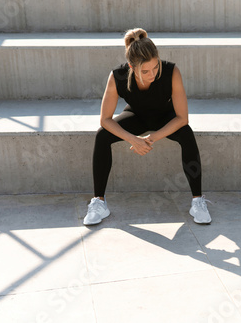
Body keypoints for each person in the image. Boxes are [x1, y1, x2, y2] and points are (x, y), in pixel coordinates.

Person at [83, 28, 211, 226]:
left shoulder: (171, 71)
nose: (152, 74)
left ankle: (197, 201)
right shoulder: (117, 76)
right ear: (131, 67)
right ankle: (99, 202)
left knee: (186, 134)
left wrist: (152, 138)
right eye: (145, 71)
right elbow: (105, 120)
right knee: (102, 136)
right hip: (136, 116)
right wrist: (132, 139)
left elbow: (182, 118)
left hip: (165, 117)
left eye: (155, 67)